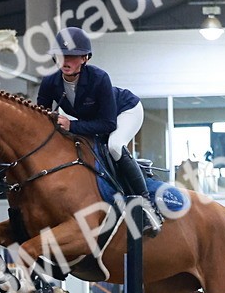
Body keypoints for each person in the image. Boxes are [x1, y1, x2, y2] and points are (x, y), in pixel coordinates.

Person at [36, 26, 160, 238]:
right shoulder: (50, 82)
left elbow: (108, 124)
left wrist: (72, 126)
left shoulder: (99, 78)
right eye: (61, 55)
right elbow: (41, 116)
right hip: (92, 120)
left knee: (114, 146)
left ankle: (147, 206)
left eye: (72, 56)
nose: (65, 60)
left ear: (84, 58)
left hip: (125, 111)